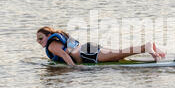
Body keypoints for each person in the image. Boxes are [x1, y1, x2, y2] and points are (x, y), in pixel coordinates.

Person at [36, 26, 166, 66]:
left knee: (118, 55)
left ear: (49, 35)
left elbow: (65, 55)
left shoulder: (52, 45)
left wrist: (74, 69)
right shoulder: (59, 38)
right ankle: (149, 46)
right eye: (37, 40)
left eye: (41, 38)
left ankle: (146, 47)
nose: (39, 41)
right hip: (88, 48)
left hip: (86, 53)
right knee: (118, 54)